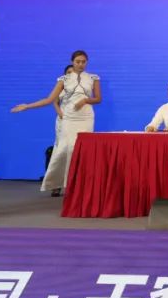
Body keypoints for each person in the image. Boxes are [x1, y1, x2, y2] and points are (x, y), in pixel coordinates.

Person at [11, 51, 101, 196]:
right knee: (65, 149)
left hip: (86, 117)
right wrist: (27, 106)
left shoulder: (93, 78)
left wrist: (85, 100)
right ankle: (58, 183)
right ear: (72, 62)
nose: (80, 64)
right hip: (69, 118)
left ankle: (79, 184)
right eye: (78, 61)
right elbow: (49, 99)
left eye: (83, 61)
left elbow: (98, 98)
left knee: (81, 150)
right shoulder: (63, 79)